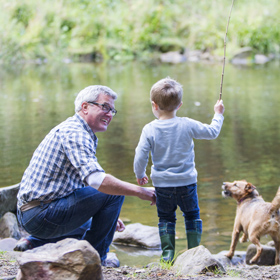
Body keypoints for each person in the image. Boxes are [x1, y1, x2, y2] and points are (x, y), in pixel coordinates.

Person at [15, 85, 156, 267]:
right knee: (113, 193)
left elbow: (78, 183)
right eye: (105, 107)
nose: (110, 114)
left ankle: (33, 242)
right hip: (41, 214)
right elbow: (97, 180)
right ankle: (97, 259)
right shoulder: (75, 133)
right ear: (85, 107)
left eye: (112, 110)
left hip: (31, 215)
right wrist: (140, 191)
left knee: (100, 226)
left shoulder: (76, 130)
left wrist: (107, 216)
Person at [133, 77, 224, 262]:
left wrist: (140, 174)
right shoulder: (187, 124)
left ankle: (167, 255)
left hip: (162, 185)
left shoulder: (149, 129)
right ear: (180, 105)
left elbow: (140, 155)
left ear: (154, 105)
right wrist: (218, 114)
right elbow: (212, 132)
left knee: (166, 219)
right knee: (192, 215)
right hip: (187, 183)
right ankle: (193, 253)